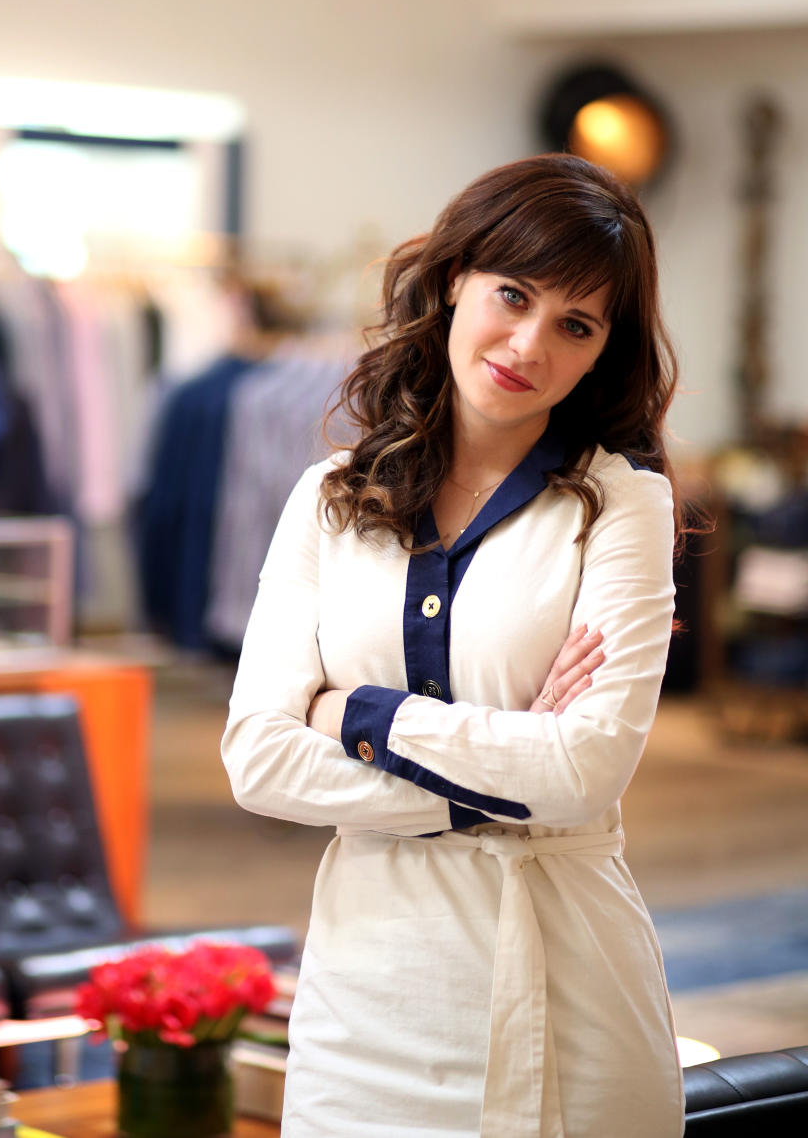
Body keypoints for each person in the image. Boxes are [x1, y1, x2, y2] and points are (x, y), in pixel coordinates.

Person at [221, 153, 685, 1138]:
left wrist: (361, 717)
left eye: (576, 324)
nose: (527, 343)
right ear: (452, 283)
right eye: (511, 294)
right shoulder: (329, 497)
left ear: (605, 350)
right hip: (365, 995)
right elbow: (257, 759)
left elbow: (589, 768)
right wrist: (507, 760)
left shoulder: (622, 502)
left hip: (566, 988)